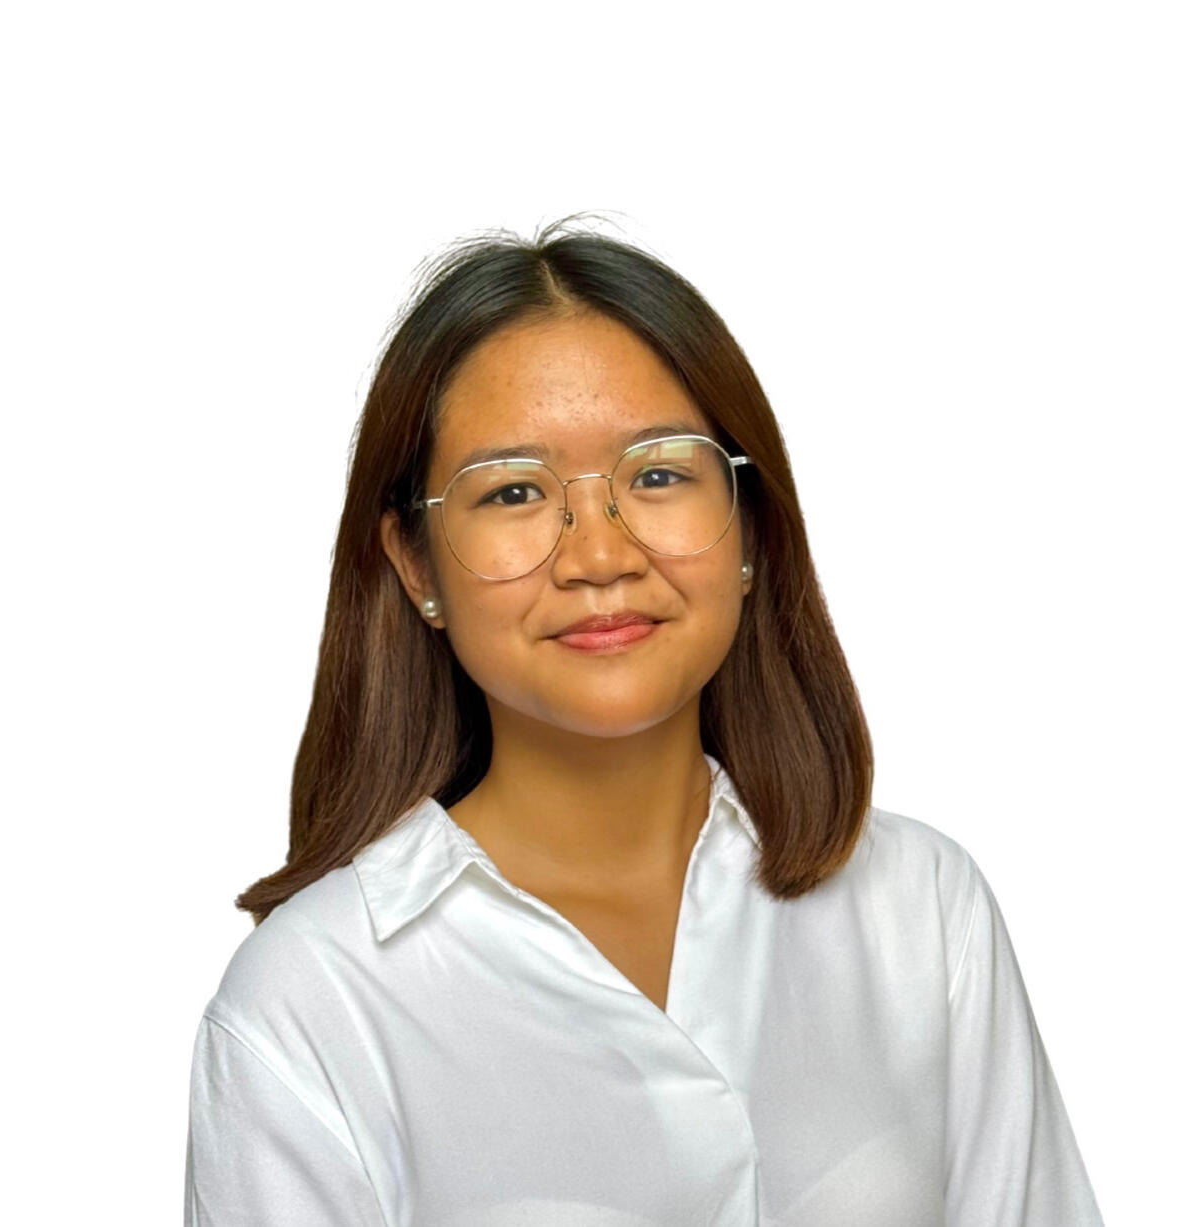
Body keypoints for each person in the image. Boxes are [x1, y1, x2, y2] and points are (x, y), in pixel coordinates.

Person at [183, 222, 1104, 1226]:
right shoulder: (310, 999)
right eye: (515, 491)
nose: (599, 556)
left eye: (658, 474)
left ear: (748, 525)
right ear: (415, 563)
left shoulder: (920, 911)